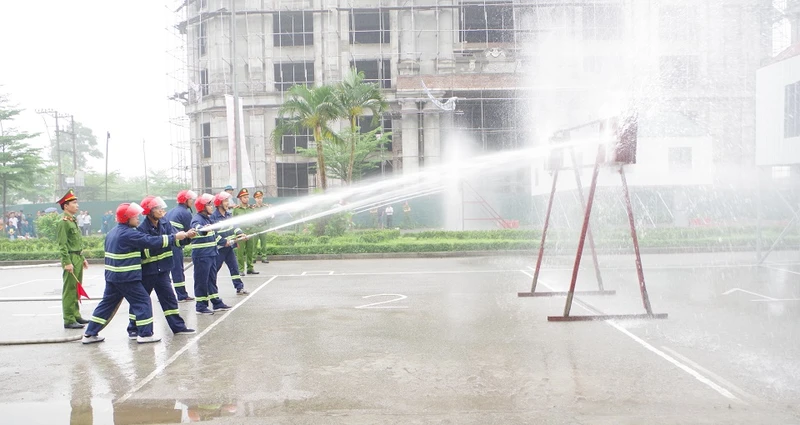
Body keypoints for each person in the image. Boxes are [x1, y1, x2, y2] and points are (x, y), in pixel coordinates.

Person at [81, 202, 189, 344]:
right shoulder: (129, 234)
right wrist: (174, 237)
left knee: (107, 304)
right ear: (127, 218)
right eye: (134, 216)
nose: (138, 219)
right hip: (126, 277)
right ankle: (145, 334)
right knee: (142, 301)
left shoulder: (113, 232)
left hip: (113, 277)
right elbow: (150, 241)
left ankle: (90, 333)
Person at [126, 196, 197, 339]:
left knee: (169, 299)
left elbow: (175, 241)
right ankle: (133, 328)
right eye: (158, 208)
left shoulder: (165, 223)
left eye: (161, 207)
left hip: (163, 270)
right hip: (148, 271)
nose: (162, 211)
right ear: (149, 211)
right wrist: (169, 240)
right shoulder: (141, 228)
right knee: (140, 301)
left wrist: (187, 237)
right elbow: (148, 247)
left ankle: (178, 327)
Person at [190, 193, 233, 315]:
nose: (212, 207)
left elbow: (214, 235)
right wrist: (203, 229)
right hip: (202, 256)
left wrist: (224, 242)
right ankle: (201, 306)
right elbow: (196, 227)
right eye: (209, 204)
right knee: (201, 281)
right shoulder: (198, 219)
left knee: (211, 280)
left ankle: (216, 302)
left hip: (211, 254)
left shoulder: (208, 218)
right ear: (202, 207)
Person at [56, 190, 89, 329]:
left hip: (77, 256)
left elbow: (76, 242)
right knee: (69, 289)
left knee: (76, 287)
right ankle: (69, 319)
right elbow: (62, 244)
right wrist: (67, 262)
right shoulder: (63, 222)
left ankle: (76, 315)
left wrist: (82, 258)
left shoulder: (72, 220)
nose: (77, 205)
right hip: (70, 258)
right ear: (65, 206)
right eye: (74, 203)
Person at [211, 192, 249, 295]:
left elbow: (234, 227)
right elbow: (213, 233)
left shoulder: (228, 215)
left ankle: (239, 287)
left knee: (234, 268)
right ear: (219, 203)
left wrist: (240, 234)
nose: (228, 203)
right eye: (225, 201)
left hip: (229, 247)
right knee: (214, 270)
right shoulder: (213, 217)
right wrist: (223, 242)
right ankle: (210, 290)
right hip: (219, 249)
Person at [166, 189, 197, 302]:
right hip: (176, 245)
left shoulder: (171, 211)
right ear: (185, 200)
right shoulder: (185, 213)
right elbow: (190, 230)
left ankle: (165, 293)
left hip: (167, 244)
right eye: (190, 199)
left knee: (166, 271)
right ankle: (182, 295)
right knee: (177, 270)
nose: (192, 201)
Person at [233, 188, 258, 276]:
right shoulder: (236, 209)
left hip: (250, 231)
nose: (246, 199)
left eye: (247, 197)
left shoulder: (251, 208)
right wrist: (236, 233)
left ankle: (250, 268)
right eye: (244, 197)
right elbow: (233, 222)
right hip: (240, 233)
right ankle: (240, 269)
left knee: (250, 251)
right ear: (240, 199)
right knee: (240, 252)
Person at [253, 191, 270, 264]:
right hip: (255, 227)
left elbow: (269, 217)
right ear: (255, 199)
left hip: (263, 227)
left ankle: (264, 257)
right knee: (254, 244)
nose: (259, 199)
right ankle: (253, 257)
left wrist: (267, 226)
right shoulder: (252, 208)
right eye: (257, 198)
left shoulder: (266, 207)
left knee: (264, 244)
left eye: (260, 198)